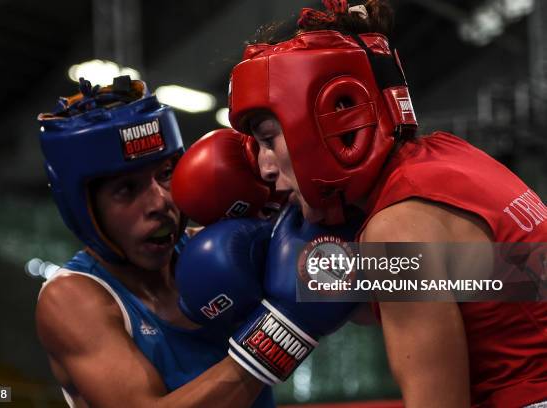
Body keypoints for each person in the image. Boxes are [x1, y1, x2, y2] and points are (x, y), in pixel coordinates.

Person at [226, 1, 547, 407]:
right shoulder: (447, 156)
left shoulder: (396, 229)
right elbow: (476, 281)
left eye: (269, 139)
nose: (265, 167)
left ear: (324, 122)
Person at [35, 76, 275, 407]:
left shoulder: (222, 251)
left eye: (165, 174)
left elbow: (358, 285)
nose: (159, 202)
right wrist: (281, 337)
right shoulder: (71, 300)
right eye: (127, 190)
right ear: (85, 210)